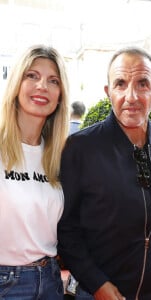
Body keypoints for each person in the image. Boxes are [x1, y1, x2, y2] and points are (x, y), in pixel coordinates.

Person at [57, 46, 151, 300]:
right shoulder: (81, 148)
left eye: (143, 84)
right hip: (99, 293)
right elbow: (66, 228)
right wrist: (97, 283)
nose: (131, 96)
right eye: (121, 84)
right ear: (108, 92)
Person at [0, 44, 70, 299]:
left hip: (50, 281)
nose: (42, 86)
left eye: (53, 80)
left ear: (60, 95)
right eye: (32, 76)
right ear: (17, 83)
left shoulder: (60, 157)